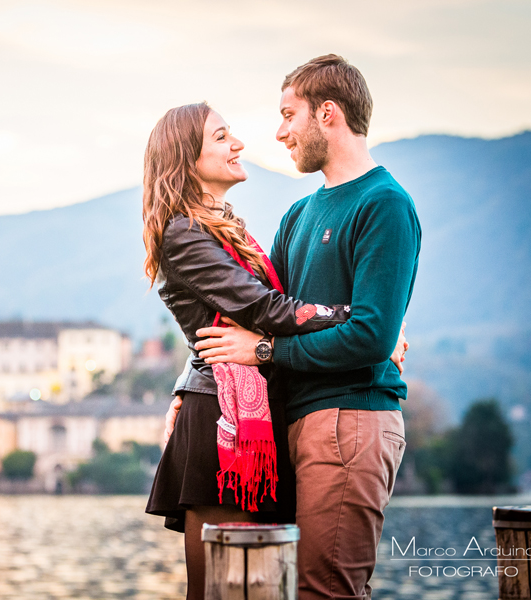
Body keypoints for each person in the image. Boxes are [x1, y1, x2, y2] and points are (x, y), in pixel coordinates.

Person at [141, 101, 407, 600]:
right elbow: (263, 310)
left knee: (263, 589)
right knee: (225, 591)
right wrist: (367, 322)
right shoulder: (184, 232)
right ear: (184, 158)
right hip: (222, 426)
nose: (238, 143)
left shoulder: (230, 232)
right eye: (220, 137)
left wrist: (379, 324)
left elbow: (224, 325)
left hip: (257, 419)